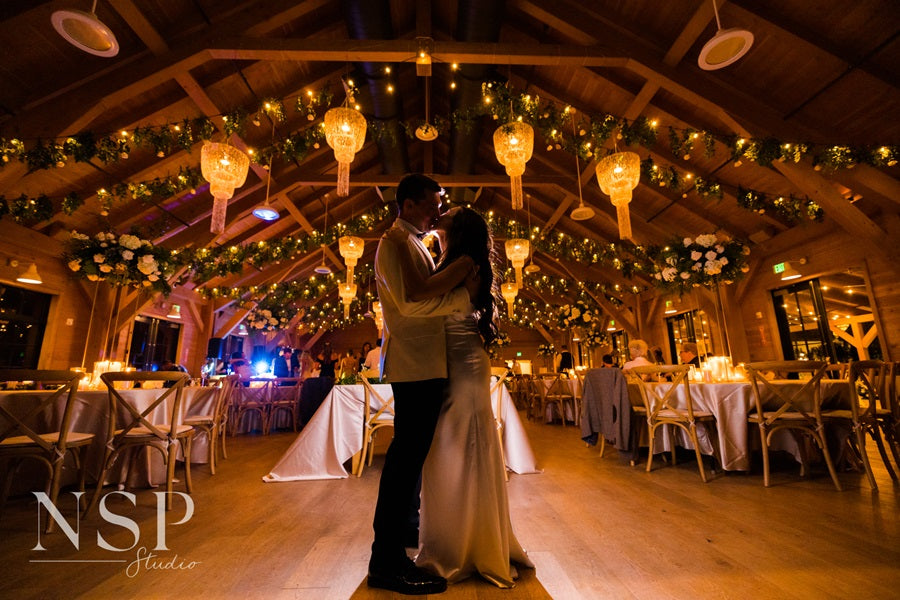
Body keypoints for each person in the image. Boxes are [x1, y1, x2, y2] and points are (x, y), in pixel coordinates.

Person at [385, 204, 532, 587]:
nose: (441, 212)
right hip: (447, 361)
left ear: (460, 225)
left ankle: (470, 545)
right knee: (448, 450)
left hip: (464, 364)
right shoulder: (452, 258)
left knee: (466, 445)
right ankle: (457, 537)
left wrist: (399, 240)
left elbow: (417, 291)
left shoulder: (465, 261)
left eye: (449, 211)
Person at [367, 174, 475, 595]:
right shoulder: (392, 243)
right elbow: (410, 305)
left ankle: (402, 542)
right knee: (402, 464)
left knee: (409, 463)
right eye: (433, 203)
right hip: (414, 365)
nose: (439, 210)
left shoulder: (414, 242)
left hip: (425, 363)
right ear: (408, 205)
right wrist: (463, 298)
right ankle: (386, 562)